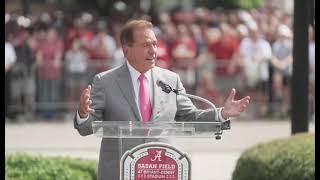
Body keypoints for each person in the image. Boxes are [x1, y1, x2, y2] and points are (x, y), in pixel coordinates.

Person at [74, 19, 250, 180]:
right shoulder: (104, 82)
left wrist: (221, 113)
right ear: (127, 50)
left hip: (159, 171)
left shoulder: (170, 80)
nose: (153, 50)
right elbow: (87, 127)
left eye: (155, 44)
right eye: (145, 45)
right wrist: (83, 114)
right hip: (119, 172)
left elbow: (190, 116)